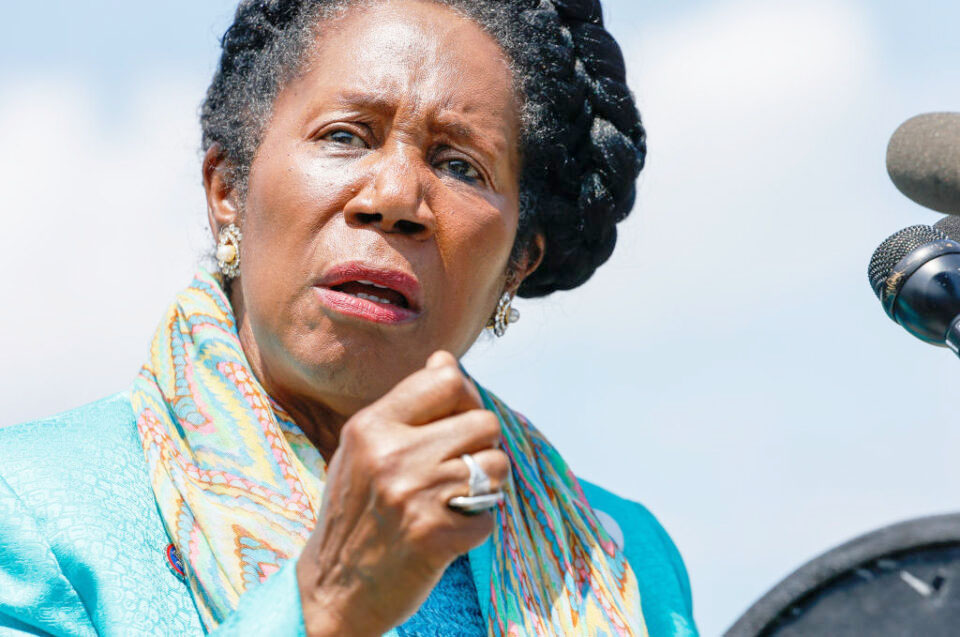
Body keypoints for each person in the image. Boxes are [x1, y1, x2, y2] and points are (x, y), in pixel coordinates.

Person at [0, 0, 697, 634]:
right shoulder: (31, 511)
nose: (394, 196)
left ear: (516, 264)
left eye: (460, 166)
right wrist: (328, 603)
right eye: (345, 137)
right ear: (227, 191)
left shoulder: (626, 561)